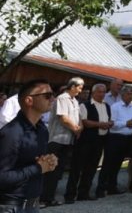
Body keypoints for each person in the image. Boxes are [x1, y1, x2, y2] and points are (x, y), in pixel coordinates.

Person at [0, 79, 57, 212]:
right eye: (47, 95)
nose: (53, 99)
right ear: (29, 101)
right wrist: (38, 168)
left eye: (53, 94)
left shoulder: (42, 129)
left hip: (33, 203)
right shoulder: (11, 133)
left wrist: (49, 162)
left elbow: (37, 163)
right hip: (11, 206)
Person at [40, 77, 82, 206]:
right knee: (50, 170)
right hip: (57, 139)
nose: (81, 89)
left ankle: (49, 197)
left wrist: (79, 128)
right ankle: (42, 199)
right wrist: (76, 129)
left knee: (58, 171)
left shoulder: (74, 101)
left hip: (67, 140)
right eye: (80, 87)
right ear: (73, 86)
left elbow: (78, 118)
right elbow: (63, 118)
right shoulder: (62, 98)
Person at [100, 84, 132, 195]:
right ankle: (101, 188)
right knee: (108, 163)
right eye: (128, 94)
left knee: (117, 164)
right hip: (115, 138)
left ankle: (112, 187)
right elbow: (112, 124)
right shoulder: (115, 107)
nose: (130, 96)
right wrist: (126, 123)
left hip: (127, 138)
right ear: (122, 95)